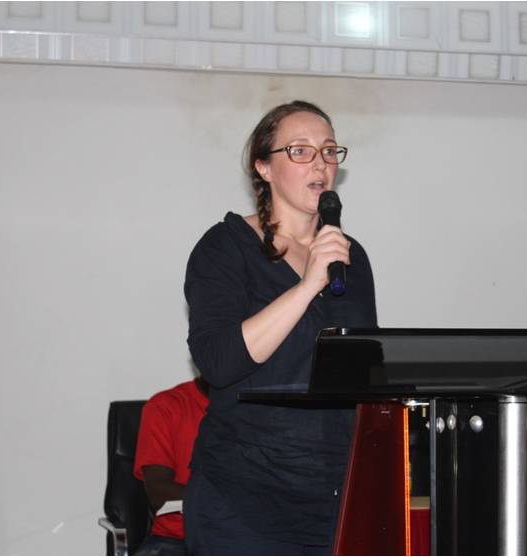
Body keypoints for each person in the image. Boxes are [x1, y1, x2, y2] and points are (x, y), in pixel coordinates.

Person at [182, 100, 378, 555]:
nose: (320, 163)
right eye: (300, 150)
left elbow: (361, 370)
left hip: (332, 496)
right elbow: (218, 363)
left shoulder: (350, 256)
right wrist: (308, 286)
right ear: (263, 168)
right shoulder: (225, 247)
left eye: (329, 150)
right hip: (242, 501)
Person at [133, 377, 209, 555]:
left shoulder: (259, 409)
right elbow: (158, 492)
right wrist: (225, 500)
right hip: (177, 541)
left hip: (249, 538)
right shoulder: (166, 406)